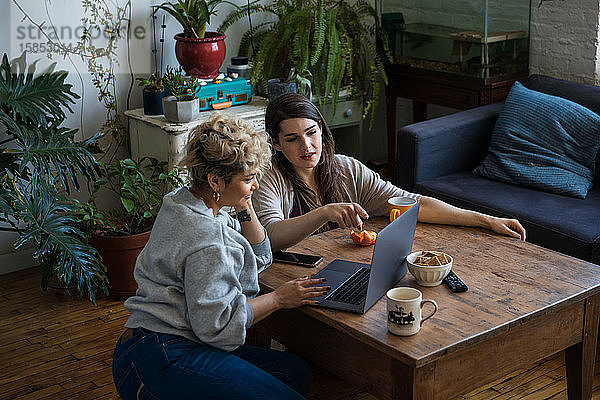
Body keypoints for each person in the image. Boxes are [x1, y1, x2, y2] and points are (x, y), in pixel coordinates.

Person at [112, 115, 329, 400]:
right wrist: (279, 299)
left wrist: (244, 201)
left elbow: (259, 257)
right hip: (162, 358)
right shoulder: (209, 238)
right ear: (215, 179)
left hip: (139, 345)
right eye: (249, 179)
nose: (256, 185)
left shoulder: (182, 201)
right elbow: (219, 328)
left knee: (294, 372)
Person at [252, 93, 526, 252]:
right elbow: (271, 236)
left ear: (322, 130)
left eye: (312, 133)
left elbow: (410, 203)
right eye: (292, 139)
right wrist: (324, 212)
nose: (306, 146)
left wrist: (486, 220)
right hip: (291, 281)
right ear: (275, 143)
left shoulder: (346, 169)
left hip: (342, 266)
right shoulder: (268, 178)